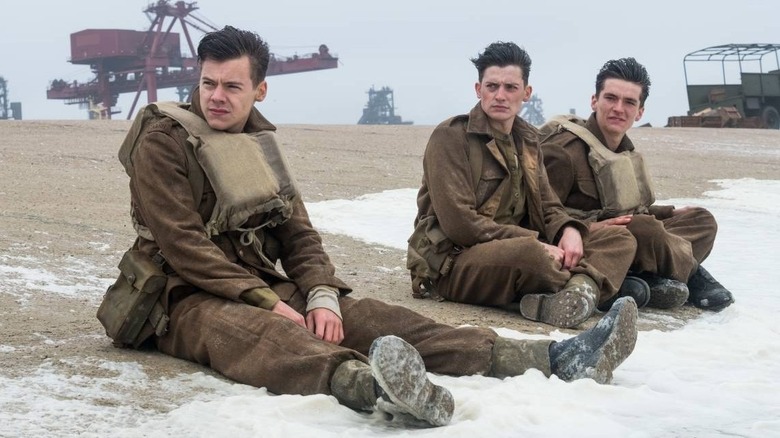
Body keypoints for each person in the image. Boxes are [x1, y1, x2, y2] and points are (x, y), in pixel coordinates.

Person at [102, 26, 642, 428]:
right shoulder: (163, 141)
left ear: (260, 91)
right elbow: (184, 245)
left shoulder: (259, 144)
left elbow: (299, 234)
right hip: (180, 297)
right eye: (208, 84)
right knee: (266, 337)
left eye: (232, 86)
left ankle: (551, 356)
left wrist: (319, 294)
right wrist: (276, 305)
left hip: (259, 282)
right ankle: (376, 390)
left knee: (378, 318)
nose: (216, 97)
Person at [407, 41, 639, 329]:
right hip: (454, 262)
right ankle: (591, 284)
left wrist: (568, 230)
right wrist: (535, 243)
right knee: (531, 257)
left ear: (526, 93)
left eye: (510, 88)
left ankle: (577, 294)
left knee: (618, 238)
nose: (500, 96)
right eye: (492, 87)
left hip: (518, 248)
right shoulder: (451, 137)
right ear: (478, 90)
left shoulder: (528, 139)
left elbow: (548, 204)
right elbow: (460, 224)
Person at [540, 57, 734, 311]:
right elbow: (538, 217)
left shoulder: (624, 152)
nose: (618, 108)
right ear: (594, 100)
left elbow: (631, 208)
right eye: (610, 98)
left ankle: (647, 277)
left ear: (640, 111)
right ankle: (691, 274)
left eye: (629, 102)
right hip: (592, 243)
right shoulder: (564, 151)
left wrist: (670, 213)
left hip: (631, 234)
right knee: (644, 229)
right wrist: (591, 228)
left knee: (701, 220)